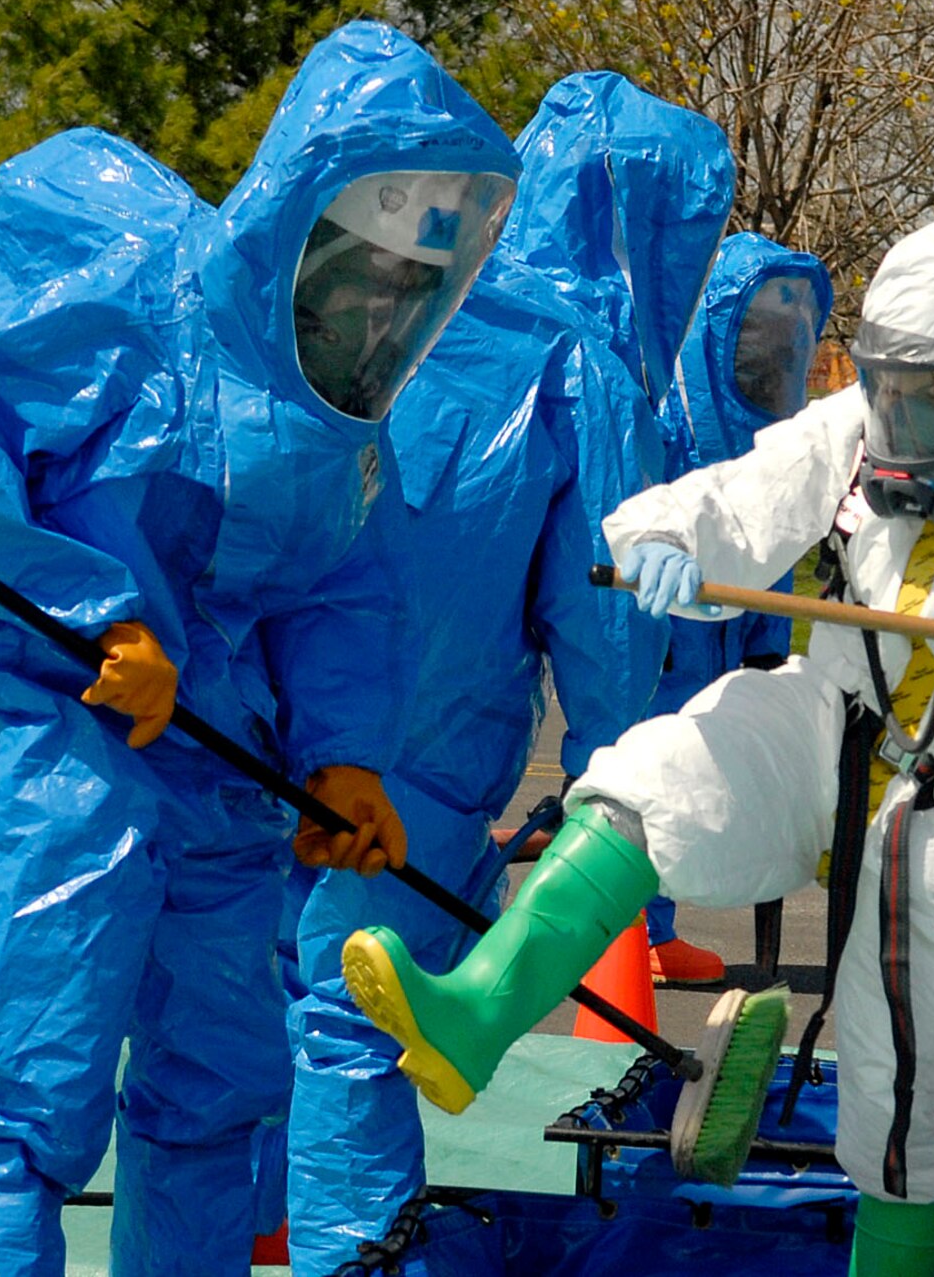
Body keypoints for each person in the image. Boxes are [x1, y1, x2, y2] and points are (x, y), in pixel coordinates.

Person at [338, 222, 934, 1275]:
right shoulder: (859, 432)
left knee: (902, 1103)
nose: (907, 426)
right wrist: (664, 544)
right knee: (661, 771)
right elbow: (733, 497)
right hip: (838, 734)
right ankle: (476, 1008)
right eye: (892, 395)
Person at [0, 22, 516, 1277]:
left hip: (223, 768)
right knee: (30, 1097)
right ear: (303, 217)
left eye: (410, 289)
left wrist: (344, 765)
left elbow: (347, 591)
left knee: (213, 1099)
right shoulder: (116, 279)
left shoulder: (338, 425)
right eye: (364, 272)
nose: (381, 309)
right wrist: (95, 619)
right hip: (66, 756)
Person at [281, 72, 734, 1274]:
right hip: (411, 764)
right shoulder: (575, 361)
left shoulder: (386, 296)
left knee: (226, 1025)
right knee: (348, 1024)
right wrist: (622, 802)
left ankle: (243, 1226)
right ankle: (354, 1254)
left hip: (259, 715)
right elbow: (606, 644)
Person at [638, 231, 834, 984]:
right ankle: (625, 937)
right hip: (661, 643)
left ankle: (651, 936)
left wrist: (767, 654)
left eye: (788, 332)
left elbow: (772, 563)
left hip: (729, 640)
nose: (774, 348)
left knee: (709, 779)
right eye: (758, 329)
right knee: (638, 777)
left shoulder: (773, 438)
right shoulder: (668, 419)